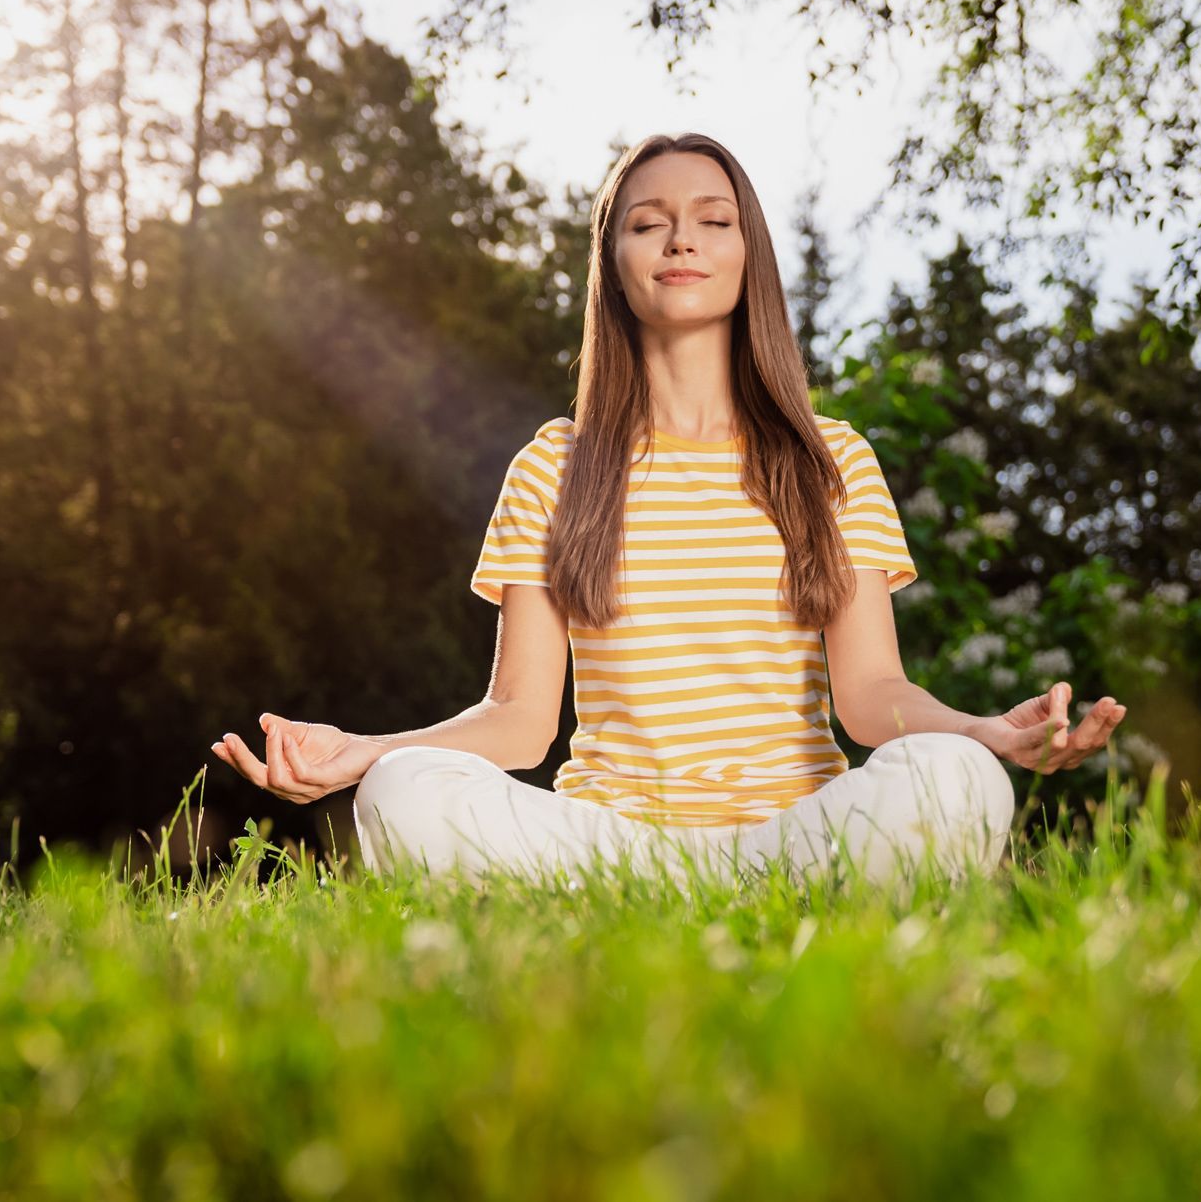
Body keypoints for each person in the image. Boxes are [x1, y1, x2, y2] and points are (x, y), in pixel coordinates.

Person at [211, 132, 1126, 888]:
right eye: (648, 224)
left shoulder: (829, 458)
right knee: (404, 792)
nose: (681, 240)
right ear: (614, 266)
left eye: (712, 220)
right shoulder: (555, 467)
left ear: (745, 255)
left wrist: (981, 733)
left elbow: (871, 697)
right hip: (609, 854)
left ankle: (811, 898)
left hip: (801, 842)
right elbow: (521, 721)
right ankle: (618, 913)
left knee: (957, 781)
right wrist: (364, 753)